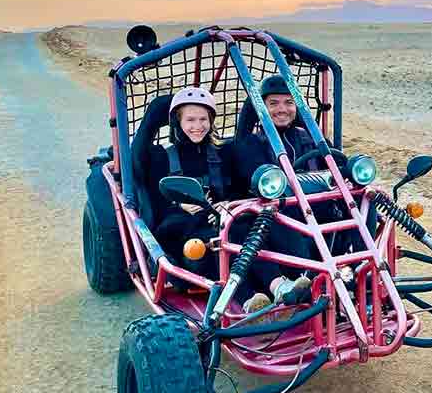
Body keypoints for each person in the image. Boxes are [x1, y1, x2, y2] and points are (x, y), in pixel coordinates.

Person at [145, 86, 308, 309]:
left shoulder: (224, 152)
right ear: (177, 122)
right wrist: (181, 204)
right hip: (184, 229)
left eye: (204, 119)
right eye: (190, 119)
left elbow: (241, 188)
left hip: (224, 218)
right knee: (221, 239)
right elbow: (156, 199)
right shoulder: (162, 157)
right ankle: (253, 297)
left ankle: (278, 287)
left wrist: (226, 204)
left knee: (249, 227)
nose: (198, 126)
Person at [232, 75, 380, 312]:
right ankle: (308, 280)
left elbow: (338, 165)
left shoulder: (310, 138)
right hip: (283, 224)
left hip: (320, 216)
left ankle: (364, 267)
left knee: (364, 195)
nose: (283, 109)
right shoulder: (249, 144)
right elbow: (254, 181)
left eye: (289, 103)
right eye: (274, 103)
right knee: (273, 207)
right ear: (262, 108)